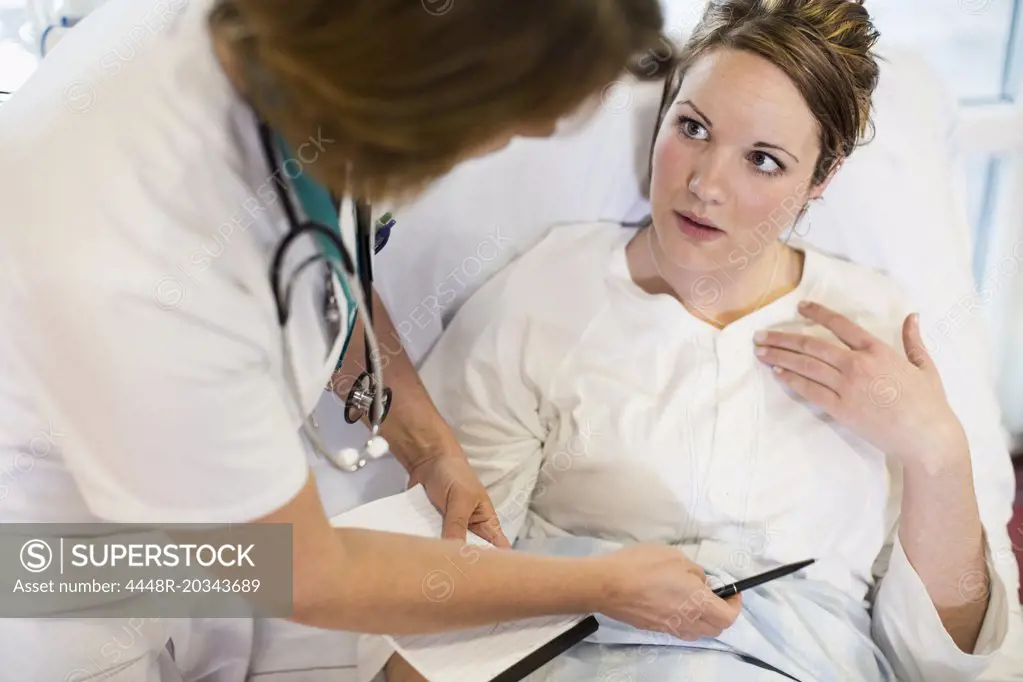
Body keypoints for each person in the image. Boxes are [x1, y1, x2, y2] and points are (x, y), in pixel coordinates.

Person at [0, 0, 752, 679]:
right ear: (418, 92)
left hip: (202, 534)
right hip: (57, 575)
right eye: (506, 123)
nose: (510, 145)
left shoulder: (306, 56)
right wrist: (601, 585)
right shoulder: (134, 251)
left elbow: (323, 259)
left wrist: (425, 442)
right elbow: (304, 575)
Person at [386, 0, 1014, 679]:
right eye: (692, 128)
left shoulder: (879, 327)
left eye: (764, 161)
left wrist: (936, 453)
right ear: (661, 117)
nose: (704, 185)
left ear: (821, 179)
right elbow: (452, 580)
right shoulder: (545, 295)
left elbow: (945, 662)